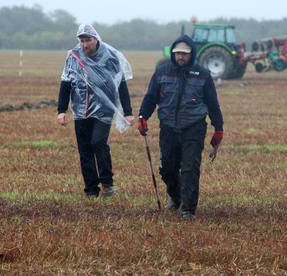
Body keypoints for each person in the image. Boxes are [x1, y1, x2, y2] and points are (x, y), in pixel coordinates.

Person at [137, 35, 224, 219]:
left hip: (194, 127)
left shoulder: (203, 75)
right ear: (172, 54)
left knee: (189, 169)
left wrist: (218, 128)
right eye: (177, 54)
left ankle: (188, 209)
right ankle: (176, 198)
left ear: (191, 54)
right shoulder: (161, 72)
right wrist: (143, 116)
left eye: (184, 54)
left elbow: (213, 104)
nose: (180, 57)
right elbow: (151, 97)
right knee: (167, 168)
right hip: (168, 127)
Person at [57, 24, 134, 198]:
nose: (85, 45)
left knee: (98, 143)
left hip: (103, 109)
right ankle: (91, 189)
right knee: (84, 149)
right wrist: (61, 110)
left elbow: (120, 83)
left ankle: (107, 183)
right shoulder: (73, 57)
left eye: (88, 40)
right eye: (82, 41)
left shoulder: (110, 56)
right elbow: (66, 82)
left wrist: (127, 111)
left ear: (96, 39)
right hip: (80, 109)